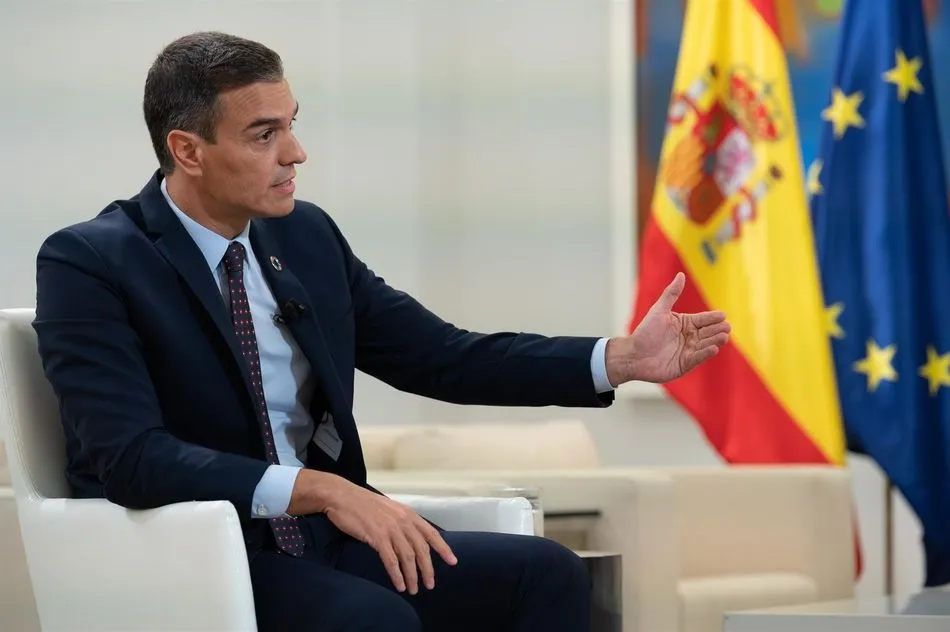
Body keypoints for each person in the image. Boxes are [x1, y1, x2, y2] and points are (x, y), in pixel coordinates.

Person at [32, 31, 730, 632]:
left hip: (318, 541)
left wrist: (618, 359)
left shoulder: (303, 237)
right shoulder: (92, 261)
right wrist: (322, 489)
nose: (296, 152)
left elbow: (443, 358)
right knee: (374, 618)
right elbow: (131, 458)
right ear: (187, 150)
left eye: (292, 123)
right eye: (264, 134)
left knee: (544, 575)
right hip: (190, 553)